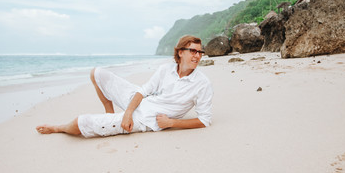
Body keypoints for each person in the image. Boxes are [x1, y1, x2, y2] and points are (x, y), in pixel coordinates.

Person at [36, 35, 213, 138]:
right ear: (181, 53)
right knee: (97, 73)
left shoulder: (202, 84)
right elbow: (142, 91)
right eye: (193, 51)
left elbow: (204, 121)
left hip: (146, 119)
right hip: (139, 104)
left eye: (200, 52)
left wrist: (171, 122)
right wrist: (128, 112)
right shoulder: (166, 69)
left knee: (81, 122)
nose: (197, 56)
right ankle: (110, 114)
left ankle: (58, 128)